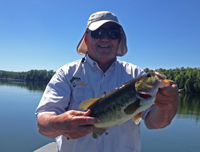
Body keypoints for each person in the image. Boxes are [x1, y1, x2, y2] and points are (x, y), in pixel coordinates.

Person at [35, 11, 179, 152]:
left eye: (113, 33)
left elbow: (157, 123)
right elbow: (43, 125)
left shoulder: (136, 74)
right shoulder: (67, 74)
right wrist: (60, 124)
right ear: (86, 39)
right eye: (97, 33)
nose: (105, 38)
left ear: (119, 40)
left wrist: (169, 103)